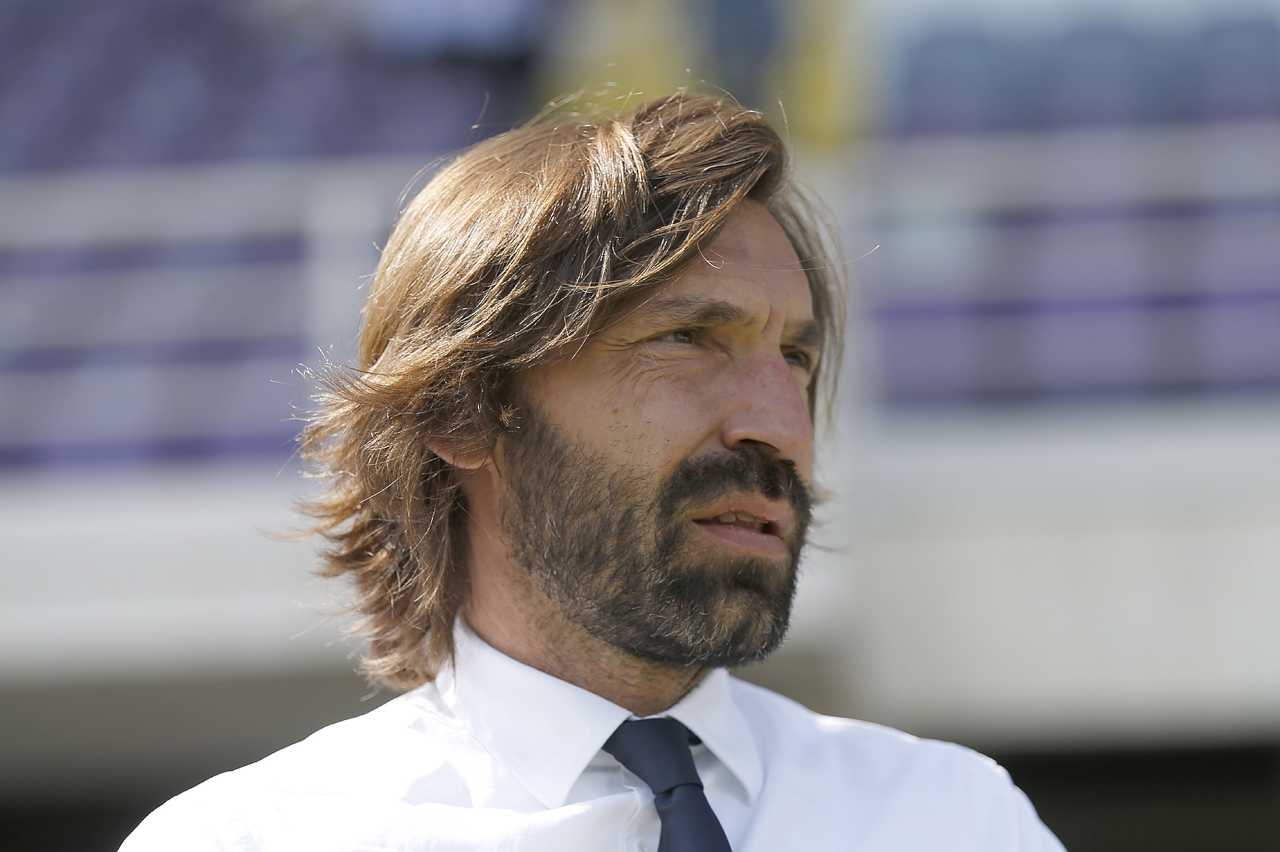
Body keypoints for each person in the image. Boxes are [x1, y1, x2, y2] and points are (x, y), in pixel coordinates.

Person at [121, 91, 1065, 851]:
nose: (781, 426)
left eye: (796, 358)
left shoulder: (956, 819)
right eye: (688, 338)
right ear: (464, 409)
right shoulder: (251, 839)